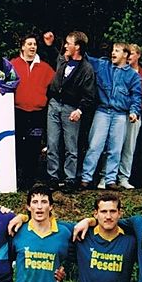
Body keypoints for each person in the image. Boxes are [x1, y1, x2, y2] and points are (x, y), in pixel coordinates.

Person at [78, 42, 142, 191]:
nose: (113, 53)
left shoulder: (133, 76)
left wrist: (134, 111)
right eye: (113, 50)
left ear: (125, 55)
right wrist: (81, 43)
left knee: (116, 148)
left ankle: (110, 180)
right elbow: (86, 57)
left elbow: (137, 96)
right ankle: (86, 178)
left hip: (120, 114)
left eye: (117, 51)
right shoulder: (103, 65)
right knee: (95, 145)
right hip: (102, 111)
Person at [44, 31, 96, 189]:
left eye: (68, 43)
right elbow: (53, 57)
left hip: (71, 108)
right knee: (52, 143)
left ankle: (70, 178)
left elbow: (89, 95)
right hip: (54, 104)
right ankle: (52, 177)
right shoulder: (63, 61)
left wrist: (80, 110)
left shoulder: (86, 69)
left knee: (71, 146)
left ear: (78, 47)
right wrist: (49, 45)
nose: (65, 46)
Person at [11, 33, 56, 189]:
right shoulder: (12, 64)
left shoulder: (44, 67)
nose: (32, 47)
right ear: (22, 46)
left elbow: (54, 86)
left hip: (37, 113)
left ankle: (30, 179)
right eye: (29, 44)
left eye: (35, 44)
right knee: (18, 145)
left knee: (34, 145)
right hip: (18, 111)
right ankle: (17, 178)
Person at [117, 43, 142, 190]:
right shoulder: (118, 72)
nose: (129, 57)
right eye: (127, 53)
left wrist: (139, 107)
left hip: (140, 114)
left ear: (138, 55)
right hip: (119, 112)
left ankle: (135, 177)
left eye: (132, 53)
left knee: (138, 146)